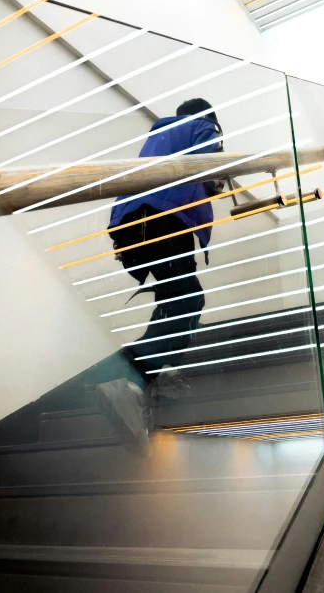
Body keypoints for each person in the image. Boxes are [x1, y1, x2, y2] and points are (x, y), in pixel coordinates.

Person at [95, 99, 223, 444]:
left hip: (136, 225)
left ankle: (151, 373)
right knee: (189, 298)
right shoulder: (198, 126)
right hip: (162, 220)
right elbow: (209, 157)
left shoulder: (164, 139)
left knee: (179, 297)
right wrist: (217, 167)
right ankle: (131, 373)